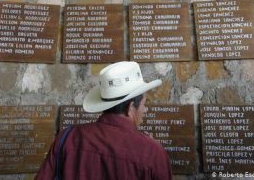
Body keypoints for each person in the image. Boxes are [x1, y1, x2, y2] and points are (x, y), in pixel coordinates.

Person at [35, 61, 172, 180]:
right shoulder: (152, 153)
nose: (145, 110)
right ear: (130, 108)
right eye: (143, 104)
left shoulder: (67, 138)